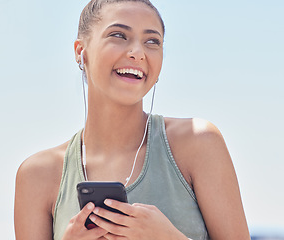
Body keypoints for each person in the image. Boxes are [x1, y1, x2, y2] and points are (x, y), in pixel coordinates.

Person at [14, 0, 251, 239]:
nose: (138, 53)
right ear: (80, 51)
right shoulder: (37, 176)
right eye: (119, 35)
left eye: (152, 41)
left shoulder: (198, 143)